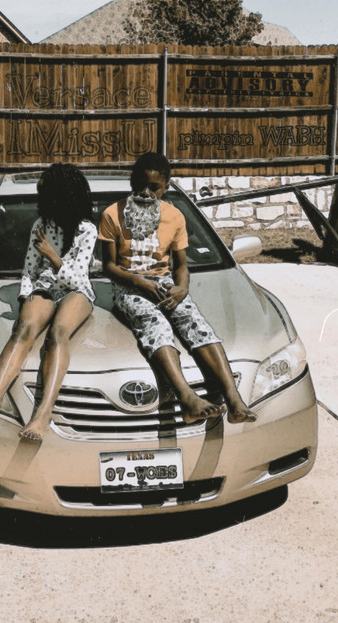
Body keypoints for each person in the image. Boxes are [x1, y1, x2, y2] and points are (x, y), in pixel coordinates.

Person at [98, 152, 256, 425]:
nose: (145, 193)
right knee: (155, 325)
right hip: (129, 287)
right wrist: (140, 282)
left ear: (166, 187)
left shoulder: (174, 217)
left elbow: (181, 265)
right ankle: (187, 398)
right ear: (132, 182)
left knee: (198, 325)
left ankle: (234, 399)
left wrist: (182, 288)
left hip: (165, 285)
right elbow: (109, 267)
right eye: (140, 185)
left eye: (154, 187)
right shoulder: (112, 214)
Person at [0, 163, 98, 441]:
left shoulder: (87, 230)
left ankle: (42, 414)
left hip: (76, 291)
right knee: (23, 330)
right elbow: (29, 269)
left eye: (44, 194)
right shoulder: (40, 226)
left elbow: (78, 279)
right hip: (44, 287)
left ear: (61, 197)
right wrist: (25, 296)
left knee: (58, 334)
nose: (39, 200)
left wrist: (52, 256)